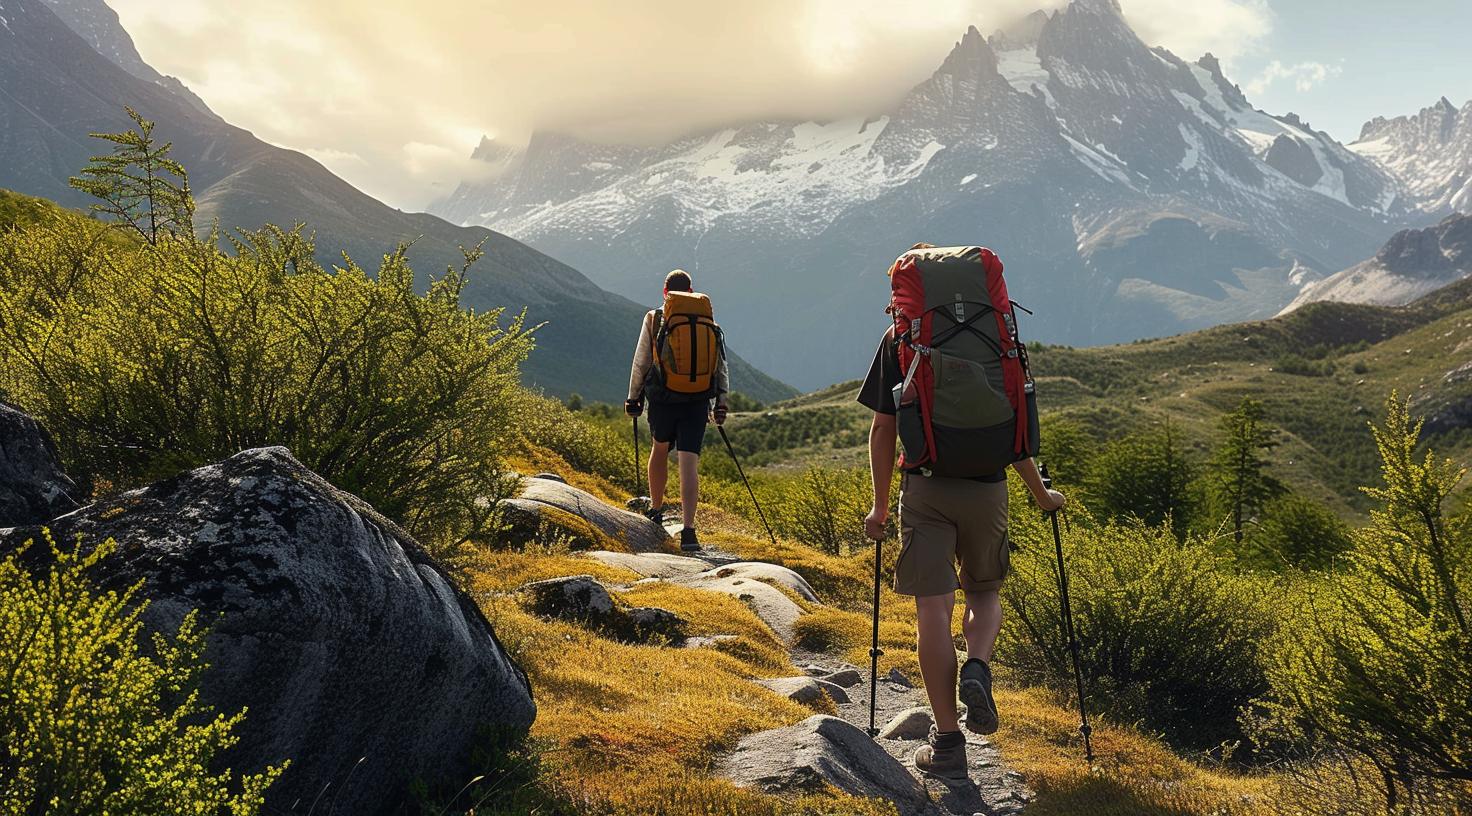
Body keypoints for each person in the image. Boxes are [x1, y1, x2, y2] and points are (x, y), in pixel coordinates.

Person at [858, 289, 1065, 780]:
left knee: (933, 608)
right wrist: (1042, 497)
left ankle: (949, 742)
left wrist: (880, 505)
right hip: (988, 488)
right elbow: (1014, 430)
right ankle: (978, 664)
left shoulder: (900, 338)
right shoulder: (996, 335)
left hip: (926, 489)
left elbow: (883, 429)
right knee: (984, 591)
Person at [625, 269, 729, 552]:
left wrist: (633, 397)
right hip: (698, 400)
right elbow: (720, 363)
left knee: (659, 450)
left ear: (665, 291)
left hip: (664, 398)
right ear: (691, 290)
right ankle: (689, 532)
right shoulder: (707, 319)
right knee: (688, 463)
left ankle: (656, 511)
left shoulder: (655, 318)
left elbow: (642, 360)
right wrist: (721, 402)